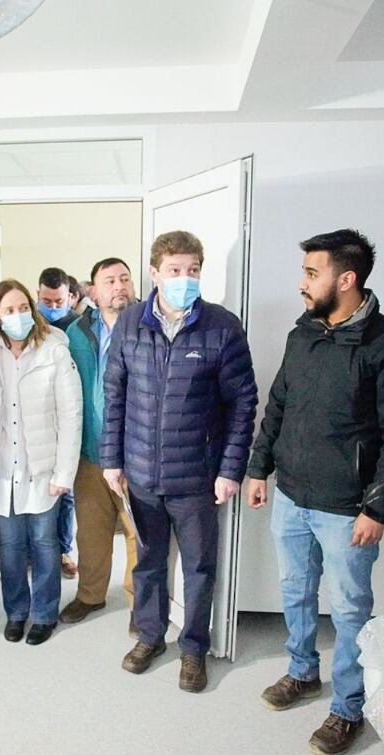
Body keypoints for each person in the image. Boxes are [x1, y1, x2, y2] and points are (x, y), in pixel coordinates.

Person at [245, 230, 384, 755]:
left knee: (349, 612)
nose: (302, 284)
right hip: (292, 498)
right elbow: (277, 405)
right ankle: (302, 673)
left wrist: (378, 506)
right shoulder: (303, 335)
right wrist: (260, 468)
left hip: (347, 509)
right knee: (295, 592)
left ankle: (348, 708)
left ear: (346, 280)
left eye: (311, 274)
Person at [101, 230, 258, 693]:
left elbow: (243, 403)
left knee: (199, 568)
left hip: (197, 479)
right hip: (142, 475)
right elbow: (115, 397)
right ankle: (150, 636)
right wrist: (112, 459)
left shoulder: (222, 327)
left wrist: (230, 469)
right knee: (148, 563)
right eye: (174, 271)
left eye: (192, 271)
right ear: (154, 273)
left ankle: (194, 649)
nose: (184, 279)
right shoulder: (130, 323)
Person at [0, 279, 82, 644]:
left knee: (45, 543)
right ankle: (16, 612)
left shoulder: (53, 349)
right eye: (9, 310)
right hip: (0, 467)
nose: (18, 315)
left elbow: (71, 415)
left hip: (44, 467)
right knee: (10, 547)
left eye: (24, 308)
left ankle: (44, 613)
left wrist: (64, 473)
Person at [60, 257, 139, 630]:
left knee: (139, 535)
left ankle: (141, 606)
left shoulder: (148, 328)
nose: (119, 285)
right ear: (93, 291)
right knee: (91, 531)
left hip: (135, 455)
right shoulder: (76, 333)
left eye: (125, 278)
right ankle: (90, 595)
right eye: (109, 280)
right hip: (90, 453)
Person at [38, 266, 80, 579]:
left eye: (58, 301)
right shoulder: (29, 326)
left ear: (71, 297)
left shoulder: (79, 329)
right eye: (46, 300)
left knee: (67, 497)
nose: (52, 307)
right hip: (37, 426)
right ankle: (36, 553)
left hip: (67, 426)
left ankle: (64, 551)